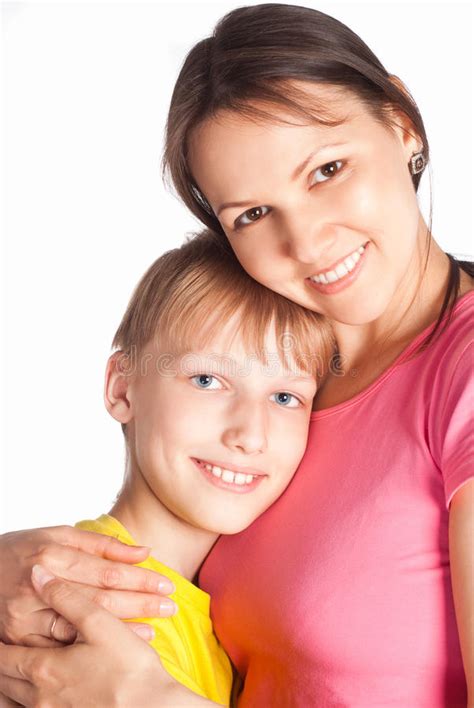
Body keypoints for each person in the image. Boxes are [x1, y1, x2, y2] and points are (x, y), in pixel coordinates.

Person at [0, 4, 473, 706]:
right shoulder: (276, 383)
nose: (307, 243)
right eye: (251, 214)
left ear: (402, 122)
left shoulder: (459, 373)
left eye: (327, 169)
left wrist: (151, 701)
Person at [0, 227, 334, 706]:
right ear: (122, 389)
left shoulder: (226, 618)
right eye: (207, 379)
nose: (250, 434)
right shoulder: (92, 612)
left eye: (285, 396)